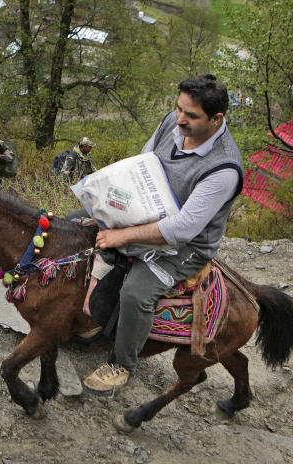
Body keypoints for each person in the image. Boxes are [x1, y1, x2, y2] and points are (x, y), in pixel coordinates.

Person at [82, 74, 243, 392]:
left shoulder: (223, 169)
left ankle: (122, 364)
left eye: (191, 115)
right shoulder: (175, 121)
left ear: (216, 119)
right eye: (178, 109)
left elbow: (182, 228)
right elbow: (145, 157)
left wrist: (122, 235)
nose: (179, 119)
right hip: (145, 211)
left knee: (136, 293)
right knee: (77, 224)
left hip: (187, 246)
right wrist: (115, 202)